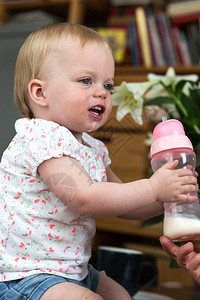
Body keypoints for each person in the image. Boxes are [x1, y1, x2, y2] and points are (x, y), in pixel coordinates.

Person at [0, 22, 198, 300]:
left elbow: (123, 203)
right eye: (85, 81)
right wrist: (153, 187)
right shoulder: (40, 138)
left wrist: (169, 196)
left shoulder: (91, 147)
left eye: (108, 84)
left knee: (121, 296)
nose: (102, 92)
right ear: (40, 93)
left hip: (74, 269)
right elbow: (83, 197)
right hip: (29, 274)